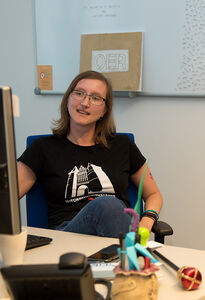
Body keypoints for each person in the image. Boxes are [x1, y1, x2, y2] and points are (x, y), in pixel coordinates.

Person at [17, 70, 163, 238]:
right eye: (79, 93)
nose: (85, 102)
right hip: (67, 238)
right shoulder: (42, 148)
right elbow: (7, 197)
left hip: (118, 229)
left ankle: (120, 259)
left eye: (95, 98)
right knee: (106, 204)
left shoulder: (123, 145)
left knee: (110, 206)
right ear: (68, 100)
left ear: (104, 111)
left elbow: (153, 194)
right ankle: (125, 260)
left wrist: (146, 223)